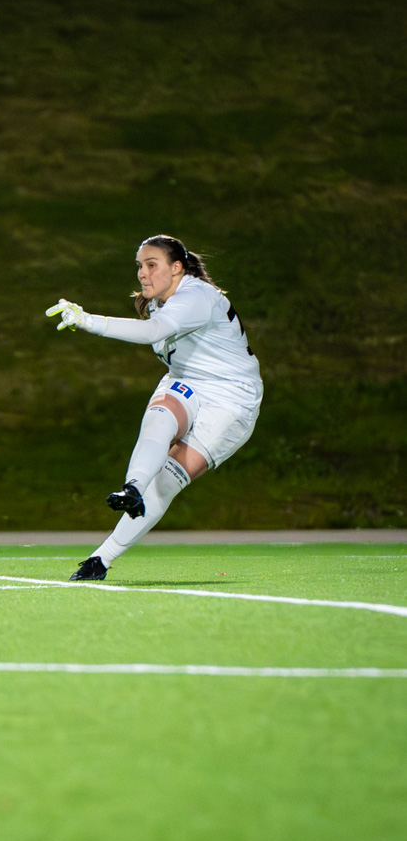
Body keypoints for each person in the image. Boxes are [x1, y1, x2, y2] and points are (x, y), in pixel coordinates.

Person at [45, 234, 263, 581]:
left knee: (164, 483)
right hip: (188, 381)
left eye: (151, 264)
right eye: (139, 266)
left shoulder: (195, 295)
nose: (142, 273)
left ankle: (101, 559)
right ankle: (132, 488)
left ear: (177, 268)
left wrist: (88, 321)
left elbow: (153, 332)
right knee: (160, 417)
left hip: (231, 398)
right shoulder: (162, 301)